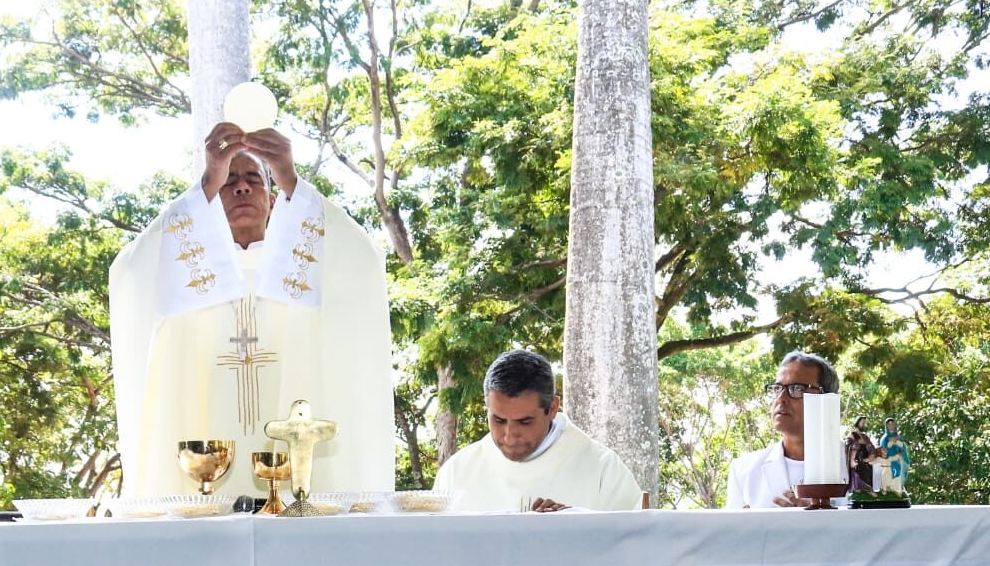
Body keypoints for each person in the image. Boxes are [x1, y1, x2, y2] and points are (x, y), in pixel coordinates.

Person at [109, 122, 394, 498]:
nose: (241, 186)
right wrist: (207, 180)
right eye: (228, 181)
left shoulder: (305, 270)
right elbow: (130, 273)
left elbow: (363, 263)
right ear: (210, 202)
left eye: (254, 179)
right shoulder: (184, 273)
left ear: (274, 201)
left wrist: (290, 177)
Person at [432, 350, 643, 512]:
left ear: (552, 409)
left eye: (524, 422)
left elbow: (633, 552)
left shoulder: (603, 471)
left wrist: (576, 527)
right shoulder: (456, 473)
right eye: (498, 420)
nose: (510, 436)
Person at [725, 350, 839, 508]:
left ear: (826, 399)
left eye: (797, 389)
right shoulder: (744, 470)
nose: (781, 399)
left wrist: (817, 520)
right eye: (777, 389)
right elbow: (733, 532)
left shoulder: (858, 466)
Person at [880, 417, 910, 495]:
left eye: (892, 424)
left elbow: (903, 447)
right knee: (894, 471)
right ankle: (892, 487)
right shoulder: (885, 438)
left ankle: (899, 487)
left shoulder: (898, 437)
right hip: (889, 460)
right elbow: (883, 449)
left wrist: (901, 451)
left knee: (902, 470)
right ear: (886, 426)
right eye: (889, 424)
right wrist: (890, 443)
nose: (891, 426)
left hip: (899, 459)